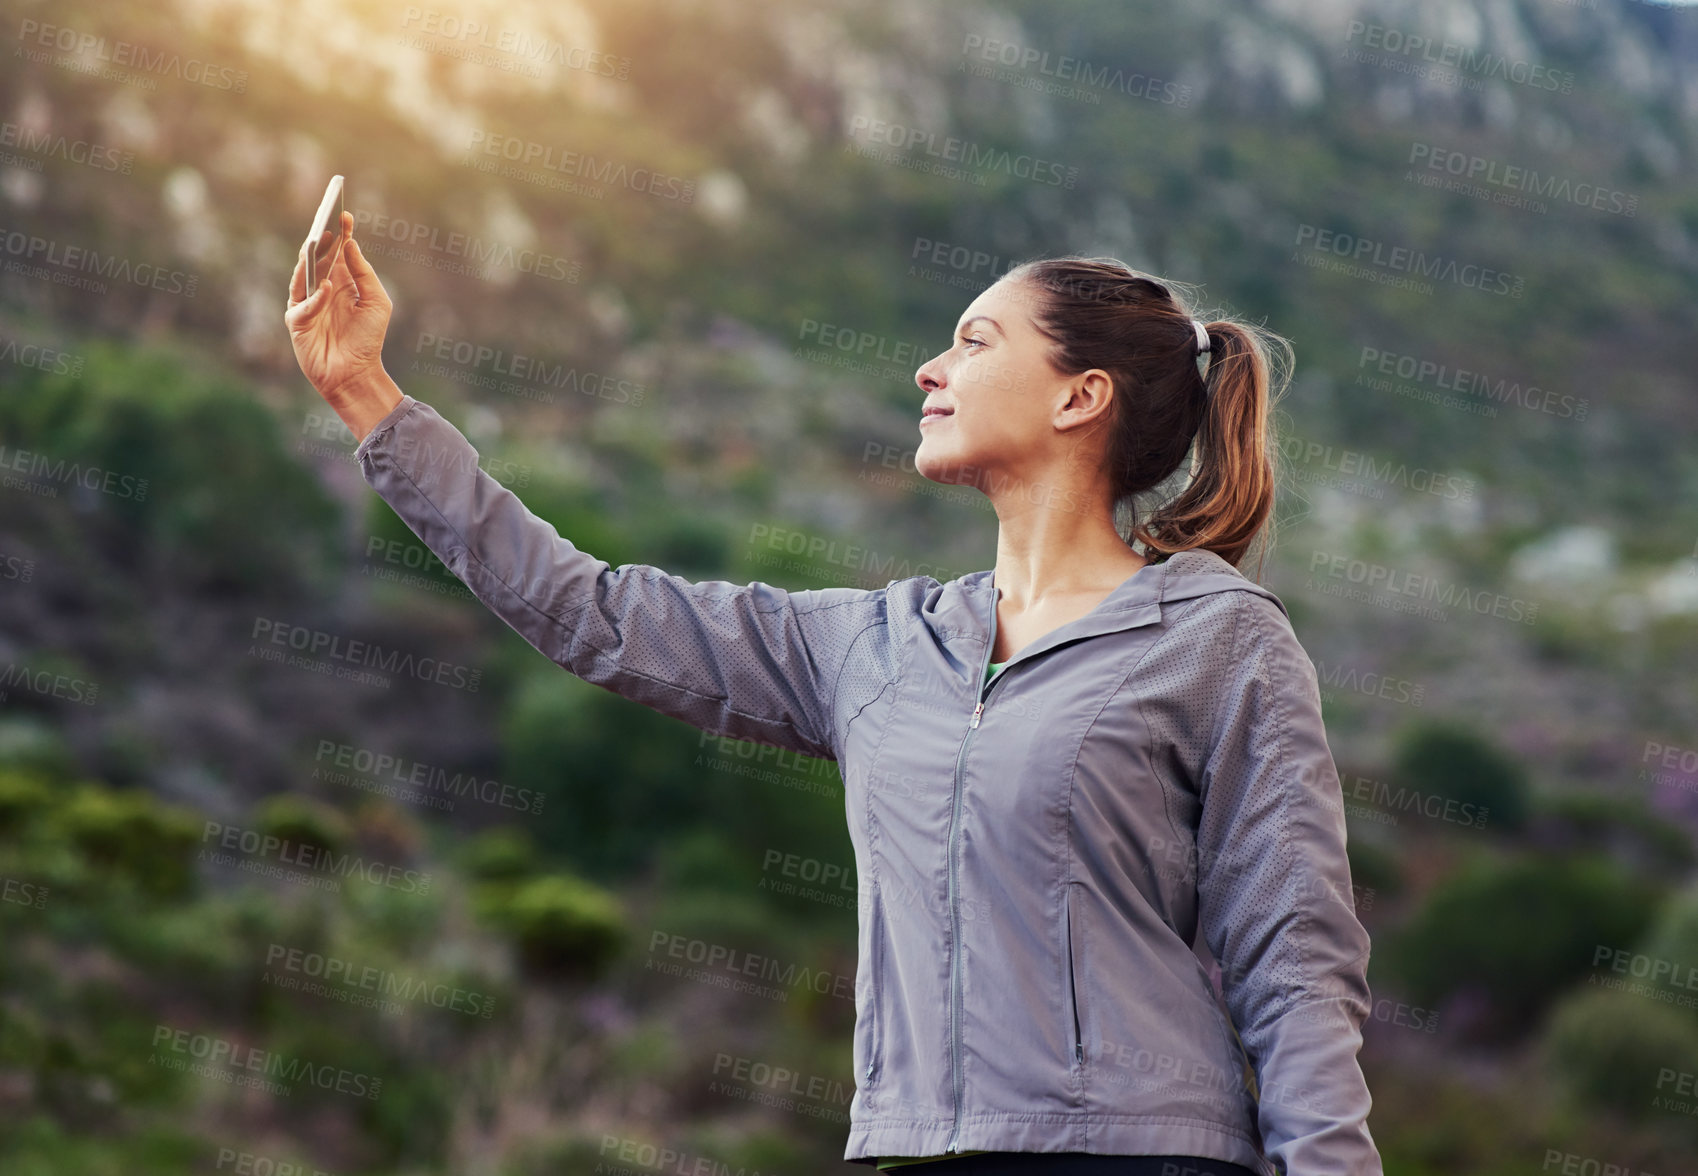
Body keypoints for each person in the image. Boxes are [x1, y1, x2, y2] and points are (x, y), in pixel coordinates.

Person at [286, 215, 1383, 1175]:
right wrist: (366, 394)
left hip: (1146, 1157)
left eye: (974, 339)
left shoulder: (1216, 639)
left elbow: (1295, 956)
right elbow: (597, 613)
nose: (928, 368)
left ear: (1080, 396)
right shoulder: (876, 647)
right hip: (923, 1151)